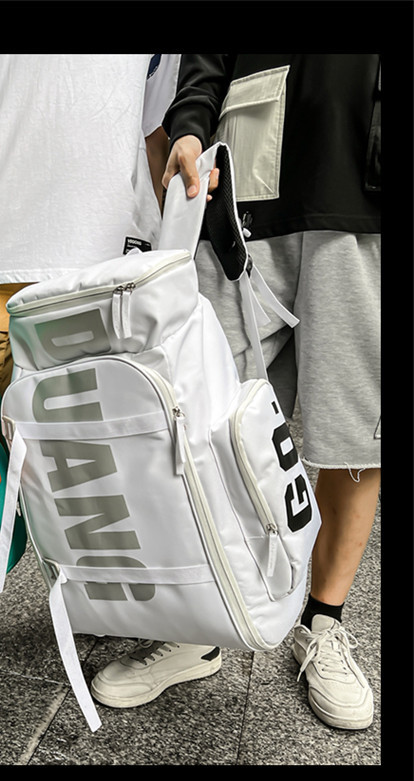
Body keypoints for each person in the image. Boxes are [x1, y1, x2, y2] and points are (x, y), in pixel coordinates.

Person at [0, 54, 219, 674]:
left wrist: (170, 234)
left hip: (101, 254)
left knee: (97, 449)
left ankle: (100, 596)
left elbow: (152, 125)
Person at [91, 55, 381, 731]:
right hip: (242, 190)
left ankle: (324, 623)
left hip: (366, 197)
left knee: (354, 433)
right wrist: (189, 126)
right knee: (199, 422)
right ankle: (197, 629)